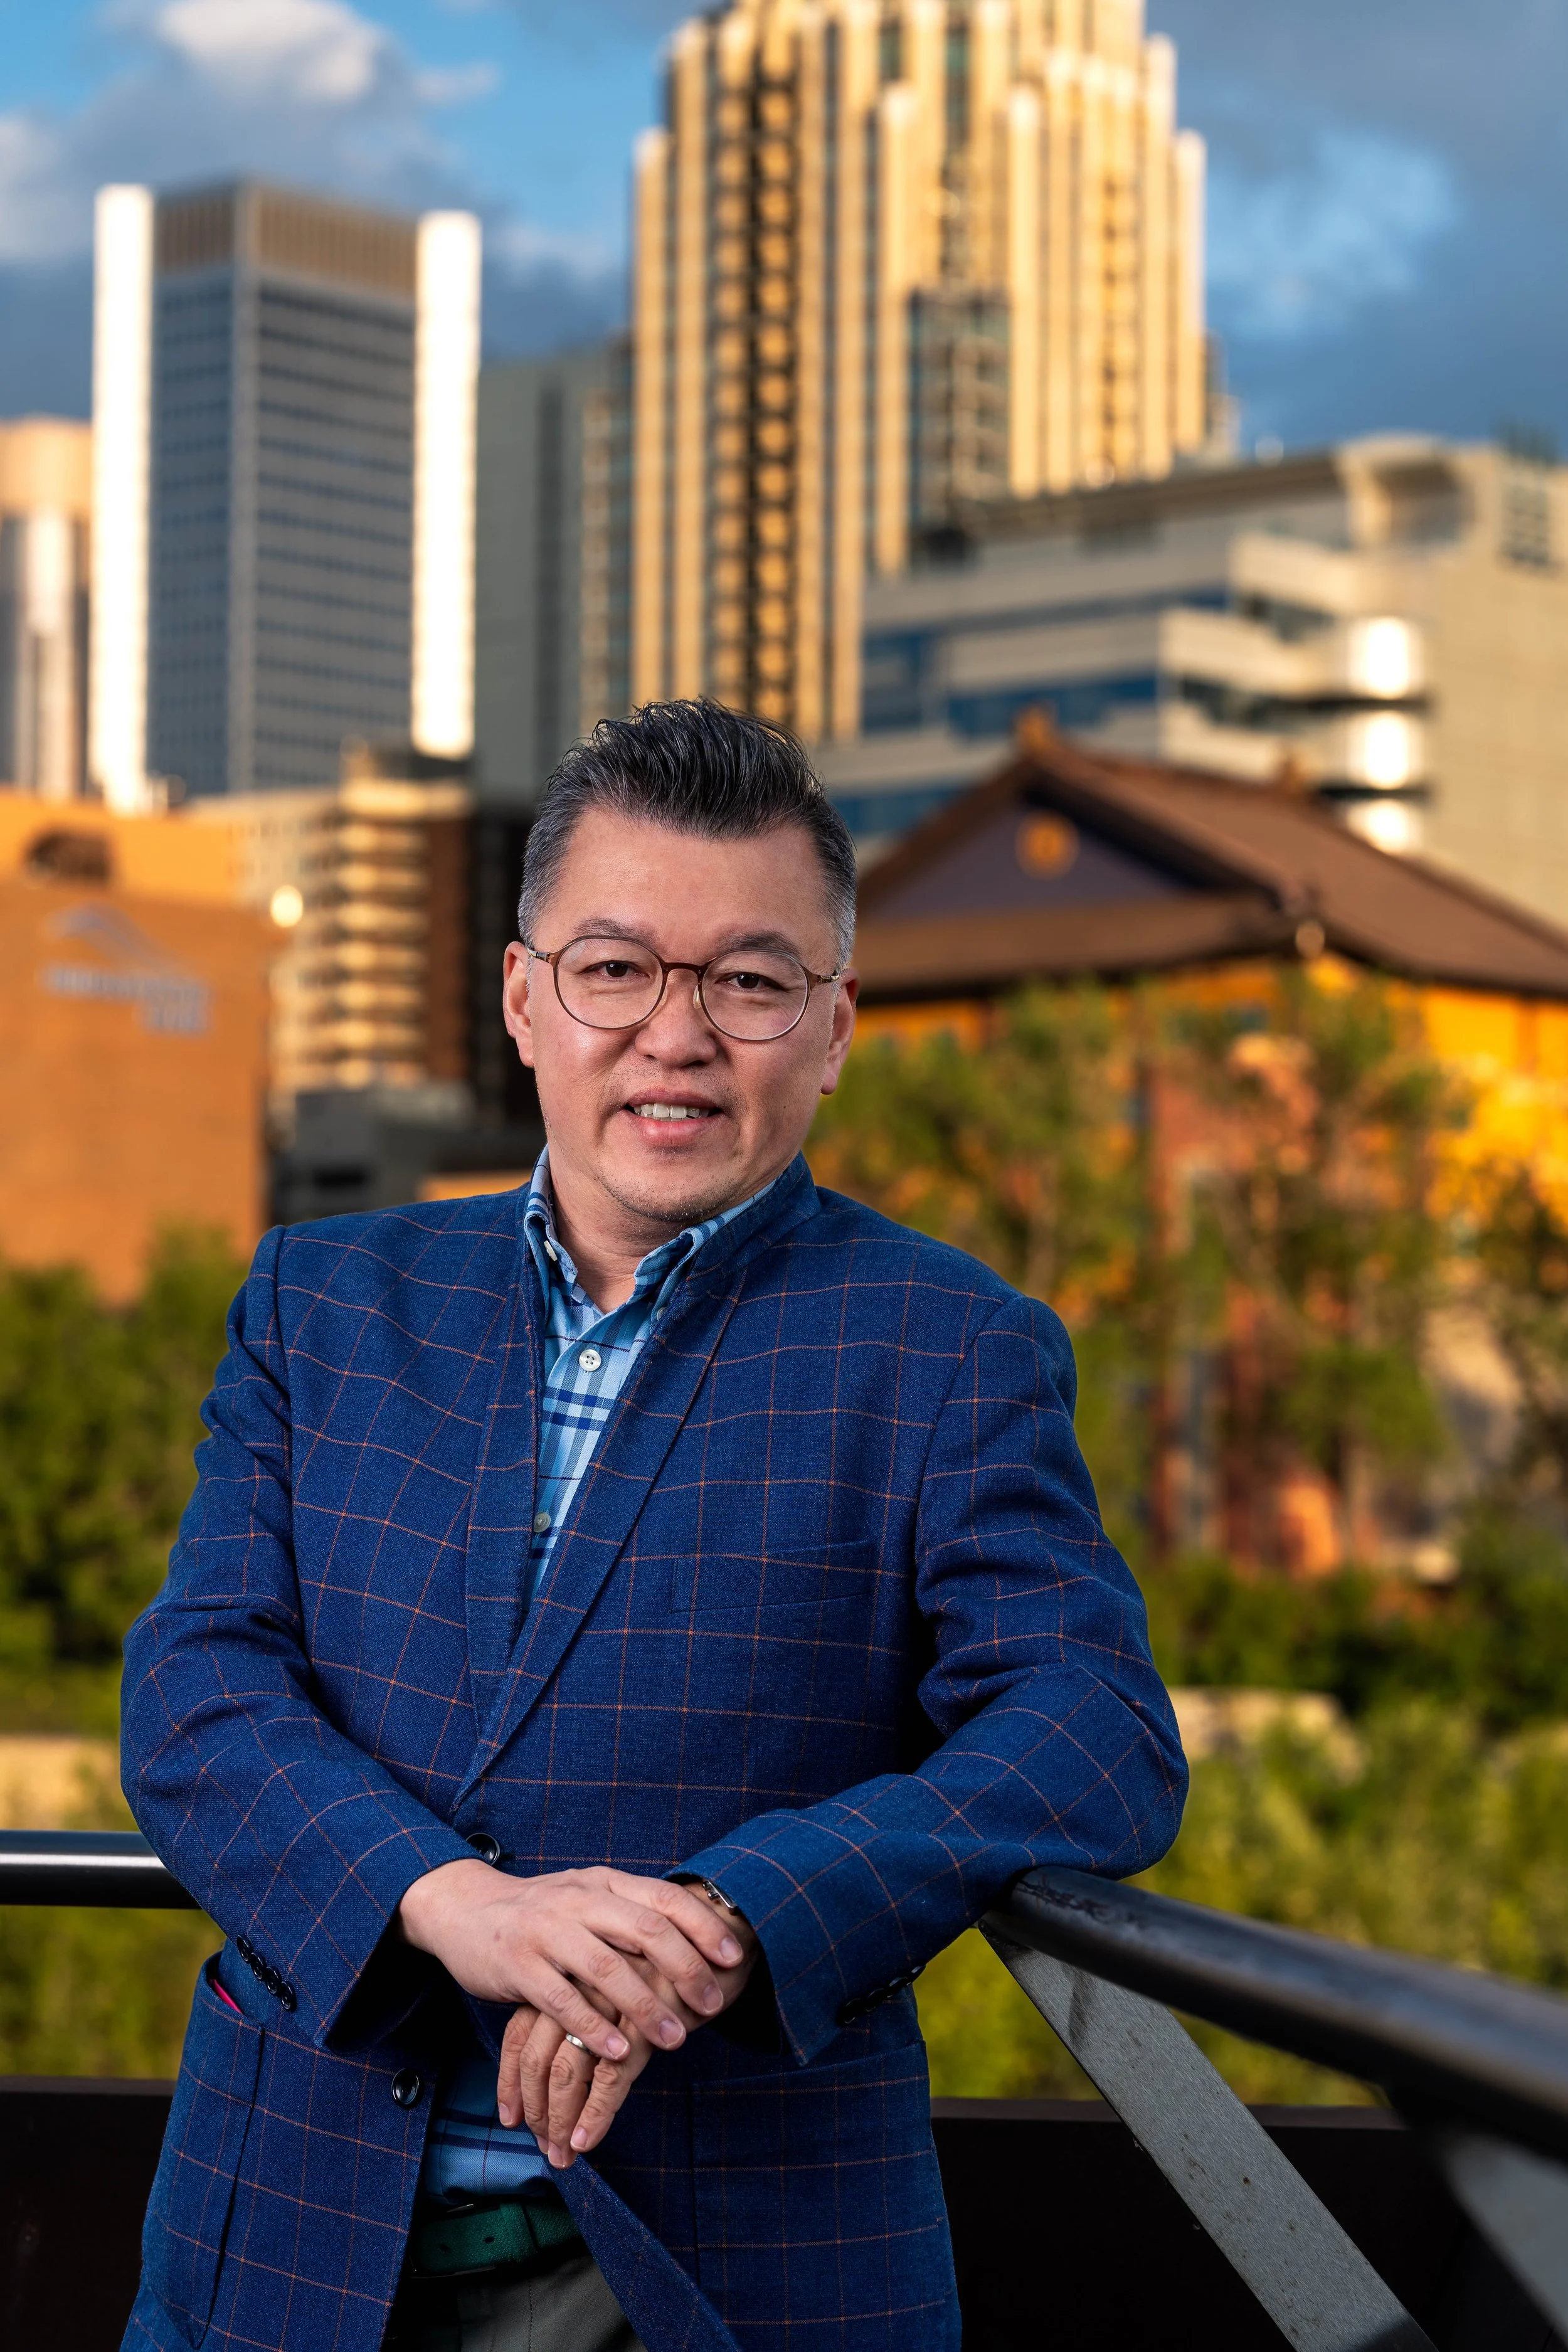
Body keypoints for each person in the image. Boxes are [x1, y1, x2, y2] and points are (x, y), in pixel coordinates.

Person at [120, 700, 1186, 2352]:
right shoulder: (327, 1298)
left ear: (832, 1027)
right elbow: (197, 1692)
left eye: (749, 982)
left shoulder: (943, 1343)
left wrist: (741, 1909)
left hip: (728, 2254)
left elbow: (1091, 1733)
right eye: (615, 968)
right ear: (521, 998)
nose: (674, 1033)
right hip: (288, 2227)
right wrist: (460, 1902)